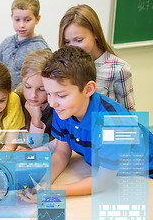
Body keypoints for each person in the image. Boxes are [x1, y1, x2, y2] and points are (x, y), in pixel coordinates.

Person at [19, 46, 152, 202]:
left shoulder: (113, 123)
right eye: (48, 93)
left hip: (143, 175)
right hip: (110, 173)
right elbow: (62, 153)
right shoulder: (63, 108)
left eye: (61, 95)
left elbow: (102, 182)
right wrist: (42, 184)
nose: (52, 103)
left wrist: (52, 191)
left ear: (88, 89)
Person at [59, 4, 135, 111]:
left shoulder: (119, 69)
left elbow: (129, 114)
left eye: (79, 40)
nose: (73, 47)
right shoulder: (63, 65)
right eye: (67, 42)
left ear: (95, 33)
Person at [0, 0, 51, 89]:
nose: (21, 25)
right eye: (17, 19)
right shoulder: (5, 44)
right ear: (12, 17)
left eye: (27, 20)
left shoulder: (41, 49)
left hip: (29, 100)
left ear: (37, 19)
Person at [15, 50, 55, 151]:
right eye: (27, 86)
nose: (33, 95)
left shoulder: (57, 105)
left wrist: (36, 118)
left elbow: (34, 144)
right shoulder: (17, 98)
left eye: (41, 89)